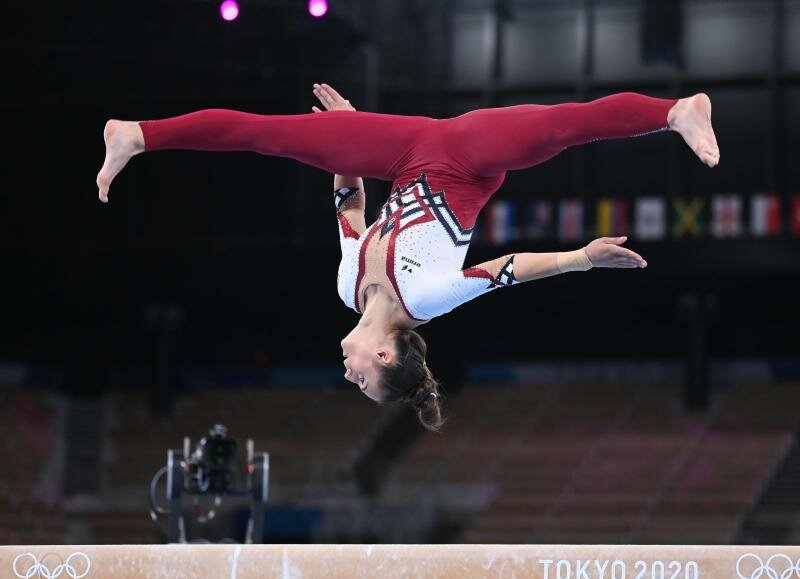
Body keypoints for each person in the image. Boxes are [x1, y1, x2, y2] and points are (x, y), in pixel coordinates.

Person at [96, 84, 719, 430]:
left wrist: (345, 135)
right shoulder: (426, 299)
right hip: (467, 158)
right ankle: (674, 113)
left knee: (271, 135)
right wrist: (581, 256)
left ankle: (136, 134)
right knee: (561, 126)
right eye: (363, 380)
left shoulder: (348, 288)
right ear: (386, 357)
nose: (349, 375)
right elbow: (507, 270)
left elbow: (347, 203)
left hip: (402, 154)